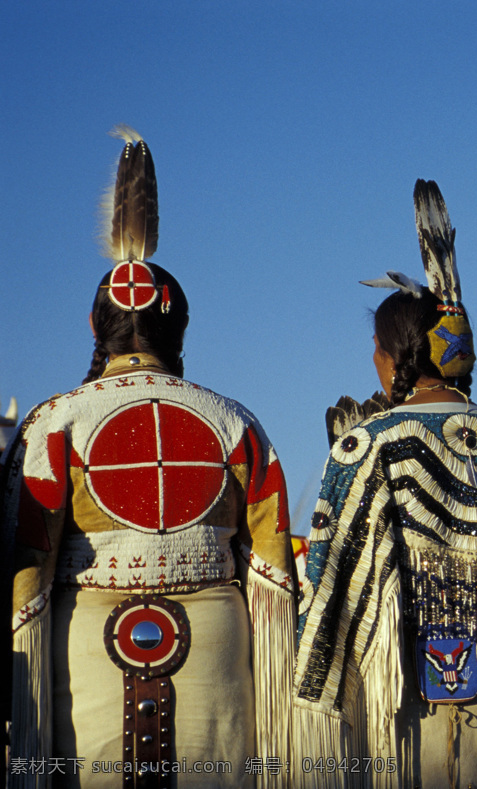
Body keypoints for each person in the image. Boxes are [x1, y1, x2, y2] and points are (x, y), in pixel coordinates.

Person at [2, 128, 296, 788]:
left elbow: (24, 587)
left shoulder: (55, 422)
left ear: (92, 327)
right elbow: (275, 583)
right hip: (217, 666)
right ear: (180, 328)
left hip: (86, 666)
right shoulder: (236, 422)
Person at [291, 180, 477, 789]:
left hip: (407, 711)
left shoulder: (370, 445)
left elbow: (328, 592)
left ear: (387, 358)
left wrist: (313, 708)